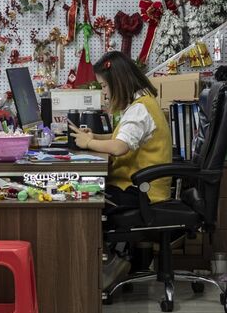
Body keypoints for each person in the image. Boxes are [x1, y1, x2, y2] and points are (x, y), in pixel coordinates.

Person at [69, 51, 172, 284]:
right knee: (88, 192)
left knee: (85, 201)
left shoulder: (140, 109)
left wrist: (89, 143)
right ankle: (113, 259)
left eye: (105, 86)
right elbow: (124, 137)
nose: (104, 92)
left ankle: (111, 263)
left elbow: (120, 147)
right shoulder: (141, 104)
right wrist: (95, 135)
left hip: (143, 192)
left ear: (118, 83)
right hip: (138, 187)